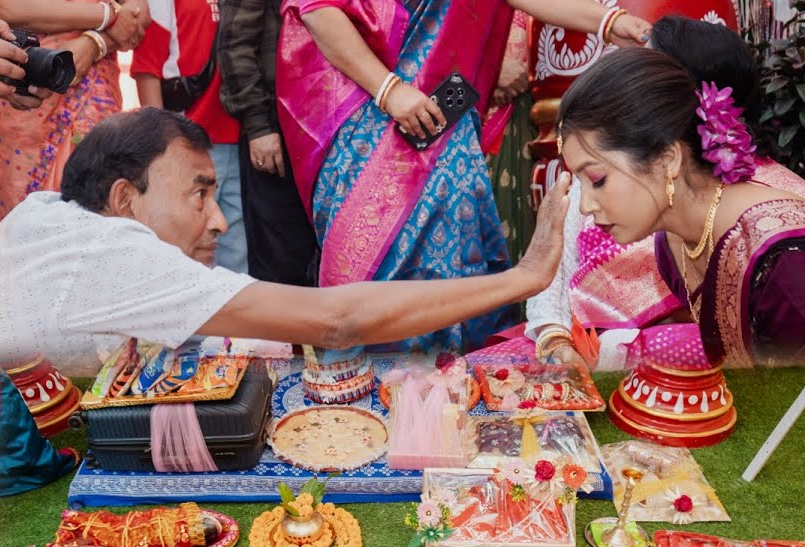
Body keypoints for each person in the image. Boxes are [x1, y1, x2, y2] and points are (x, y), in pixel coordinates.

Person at [0, 107, 570, 377]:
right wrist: (522, 279)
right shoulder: (113, 252)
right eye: (199, 193)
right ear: (123, 200)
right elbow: (335, 320)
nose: (220, 222)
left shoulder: (49, 214)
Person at [275, 0, 651, 353]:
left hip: (442, 121)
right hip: (364, 111)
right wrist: (389, 91)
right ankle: (365, 397)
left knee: (454, 256)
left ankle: (451, 395)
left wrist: (609, 21)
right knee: (365, 265)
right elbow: (318, 7)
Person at [528, 15, 805, 365]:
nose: (584, 206)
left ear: (668, 158)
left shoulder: (785, 267)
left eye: (598, 179)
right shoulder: (674, 244)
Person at [0, 0, 150, 220]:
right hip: (29, 90)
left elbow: (140, 12)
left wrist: (95, 42)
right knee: (28, 227)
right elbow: (6, 7)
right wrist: (108, 16)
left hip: (97, 95)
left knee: (99, 216)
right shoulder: (109, 14)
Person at [132, 0, 248, 273]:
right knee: (185, 248)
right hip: (188, 142)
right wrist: (159, 144)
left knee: (236, 252)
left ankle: (232, 314)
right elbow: (147, 67)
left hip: (239, 140)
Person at [218, 0, 319, 285]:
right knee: (280, 259)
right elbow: (234, 45)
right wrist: (259, 126)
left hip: (326, 130)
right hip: (275, 132)